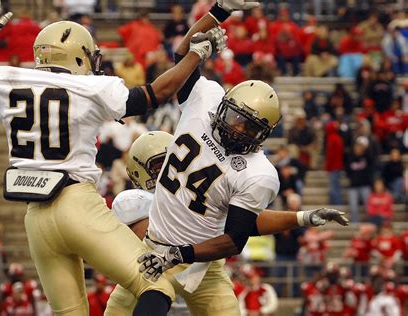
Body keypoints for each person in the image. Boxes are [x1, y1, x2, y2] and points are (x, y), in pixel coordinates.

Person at [0, 1, 226, 315]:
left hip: (36, 220)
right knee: (155, 286)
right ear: (75, 54)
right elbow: (156, 94)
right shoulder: (91, 87)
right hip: (77, 204)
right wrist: (196, 56)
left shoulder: (4, 80)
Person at [122, 4, 346, 316]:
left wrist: (179, 254)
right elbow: (183, 54)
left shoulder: (258, 173)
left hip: (201, 264)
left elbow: (234, 238)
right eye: (234, 117)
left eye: (248, 126)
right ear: (224, 104)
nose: (236, 128)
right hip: (152, 249)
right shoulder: (206, 100)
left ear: (264, 134)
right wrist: (219, 11)